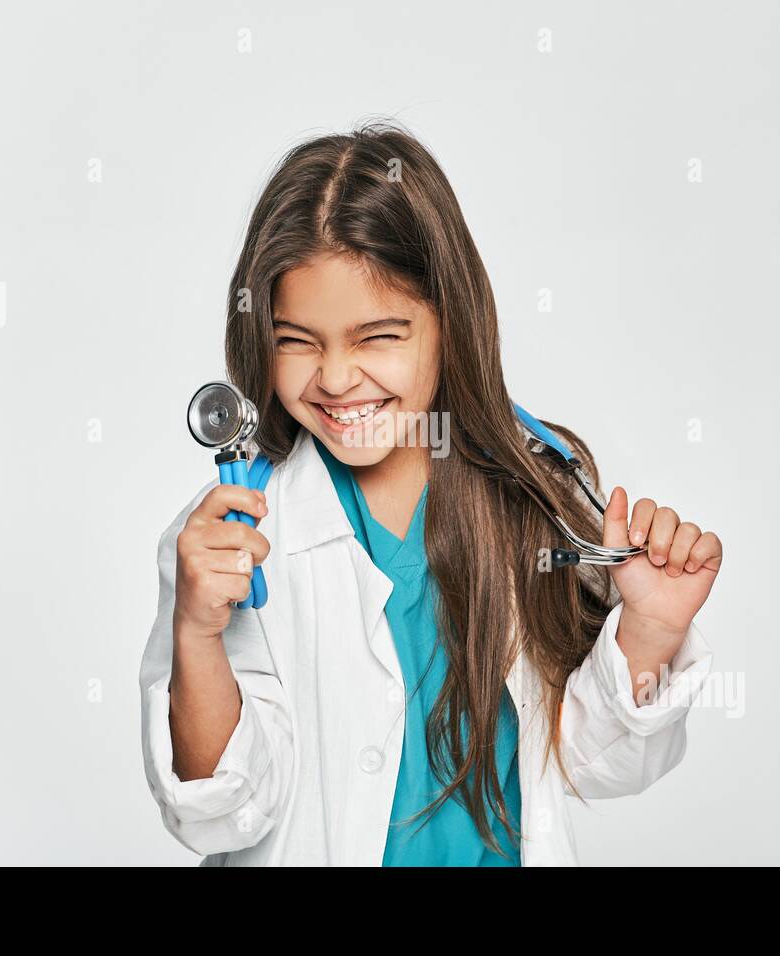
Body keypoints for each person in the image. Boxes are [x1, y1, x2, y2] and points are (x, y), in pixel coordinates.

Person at [139, 120, 723, 866]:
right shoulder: (235, 543)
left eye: (378, 336)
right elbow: (221, 814)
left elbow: (595, 763)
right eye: (297, 340)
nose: (337, 377)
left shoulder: (532, 503)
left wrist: (650, 629)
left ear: (452, 324)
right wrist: (195, 631)